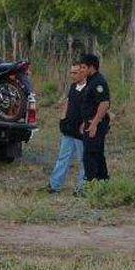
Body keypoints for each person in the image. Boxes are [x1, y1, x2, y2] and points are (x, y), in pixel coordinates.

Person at [48, 63, 87, 193]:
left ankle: (82, 188)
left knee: (83, 160)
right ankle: (54, 185)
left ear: (83, 72)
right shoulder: (73, 87)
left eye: (75, 73)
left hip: (82, 131)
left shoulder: (90, 88)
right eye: (71, 73)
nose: (72, 75)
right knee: (62, 157)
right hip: (69, 129)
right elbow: (68, 102)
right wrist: (62, 118)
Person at [78, 53, 111, 181]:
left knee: (91, 155)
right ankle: (101, 182)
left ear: (92, 67)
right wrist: (85, 122)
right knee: (95, 154)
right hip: (90, 122)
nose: (81, 70)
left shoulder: (98, 82)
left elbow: (104, 104)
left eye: (84, 67)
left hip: (96, 124)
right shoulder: (90, 81)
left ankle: (93, 183)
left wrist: (94, 124)